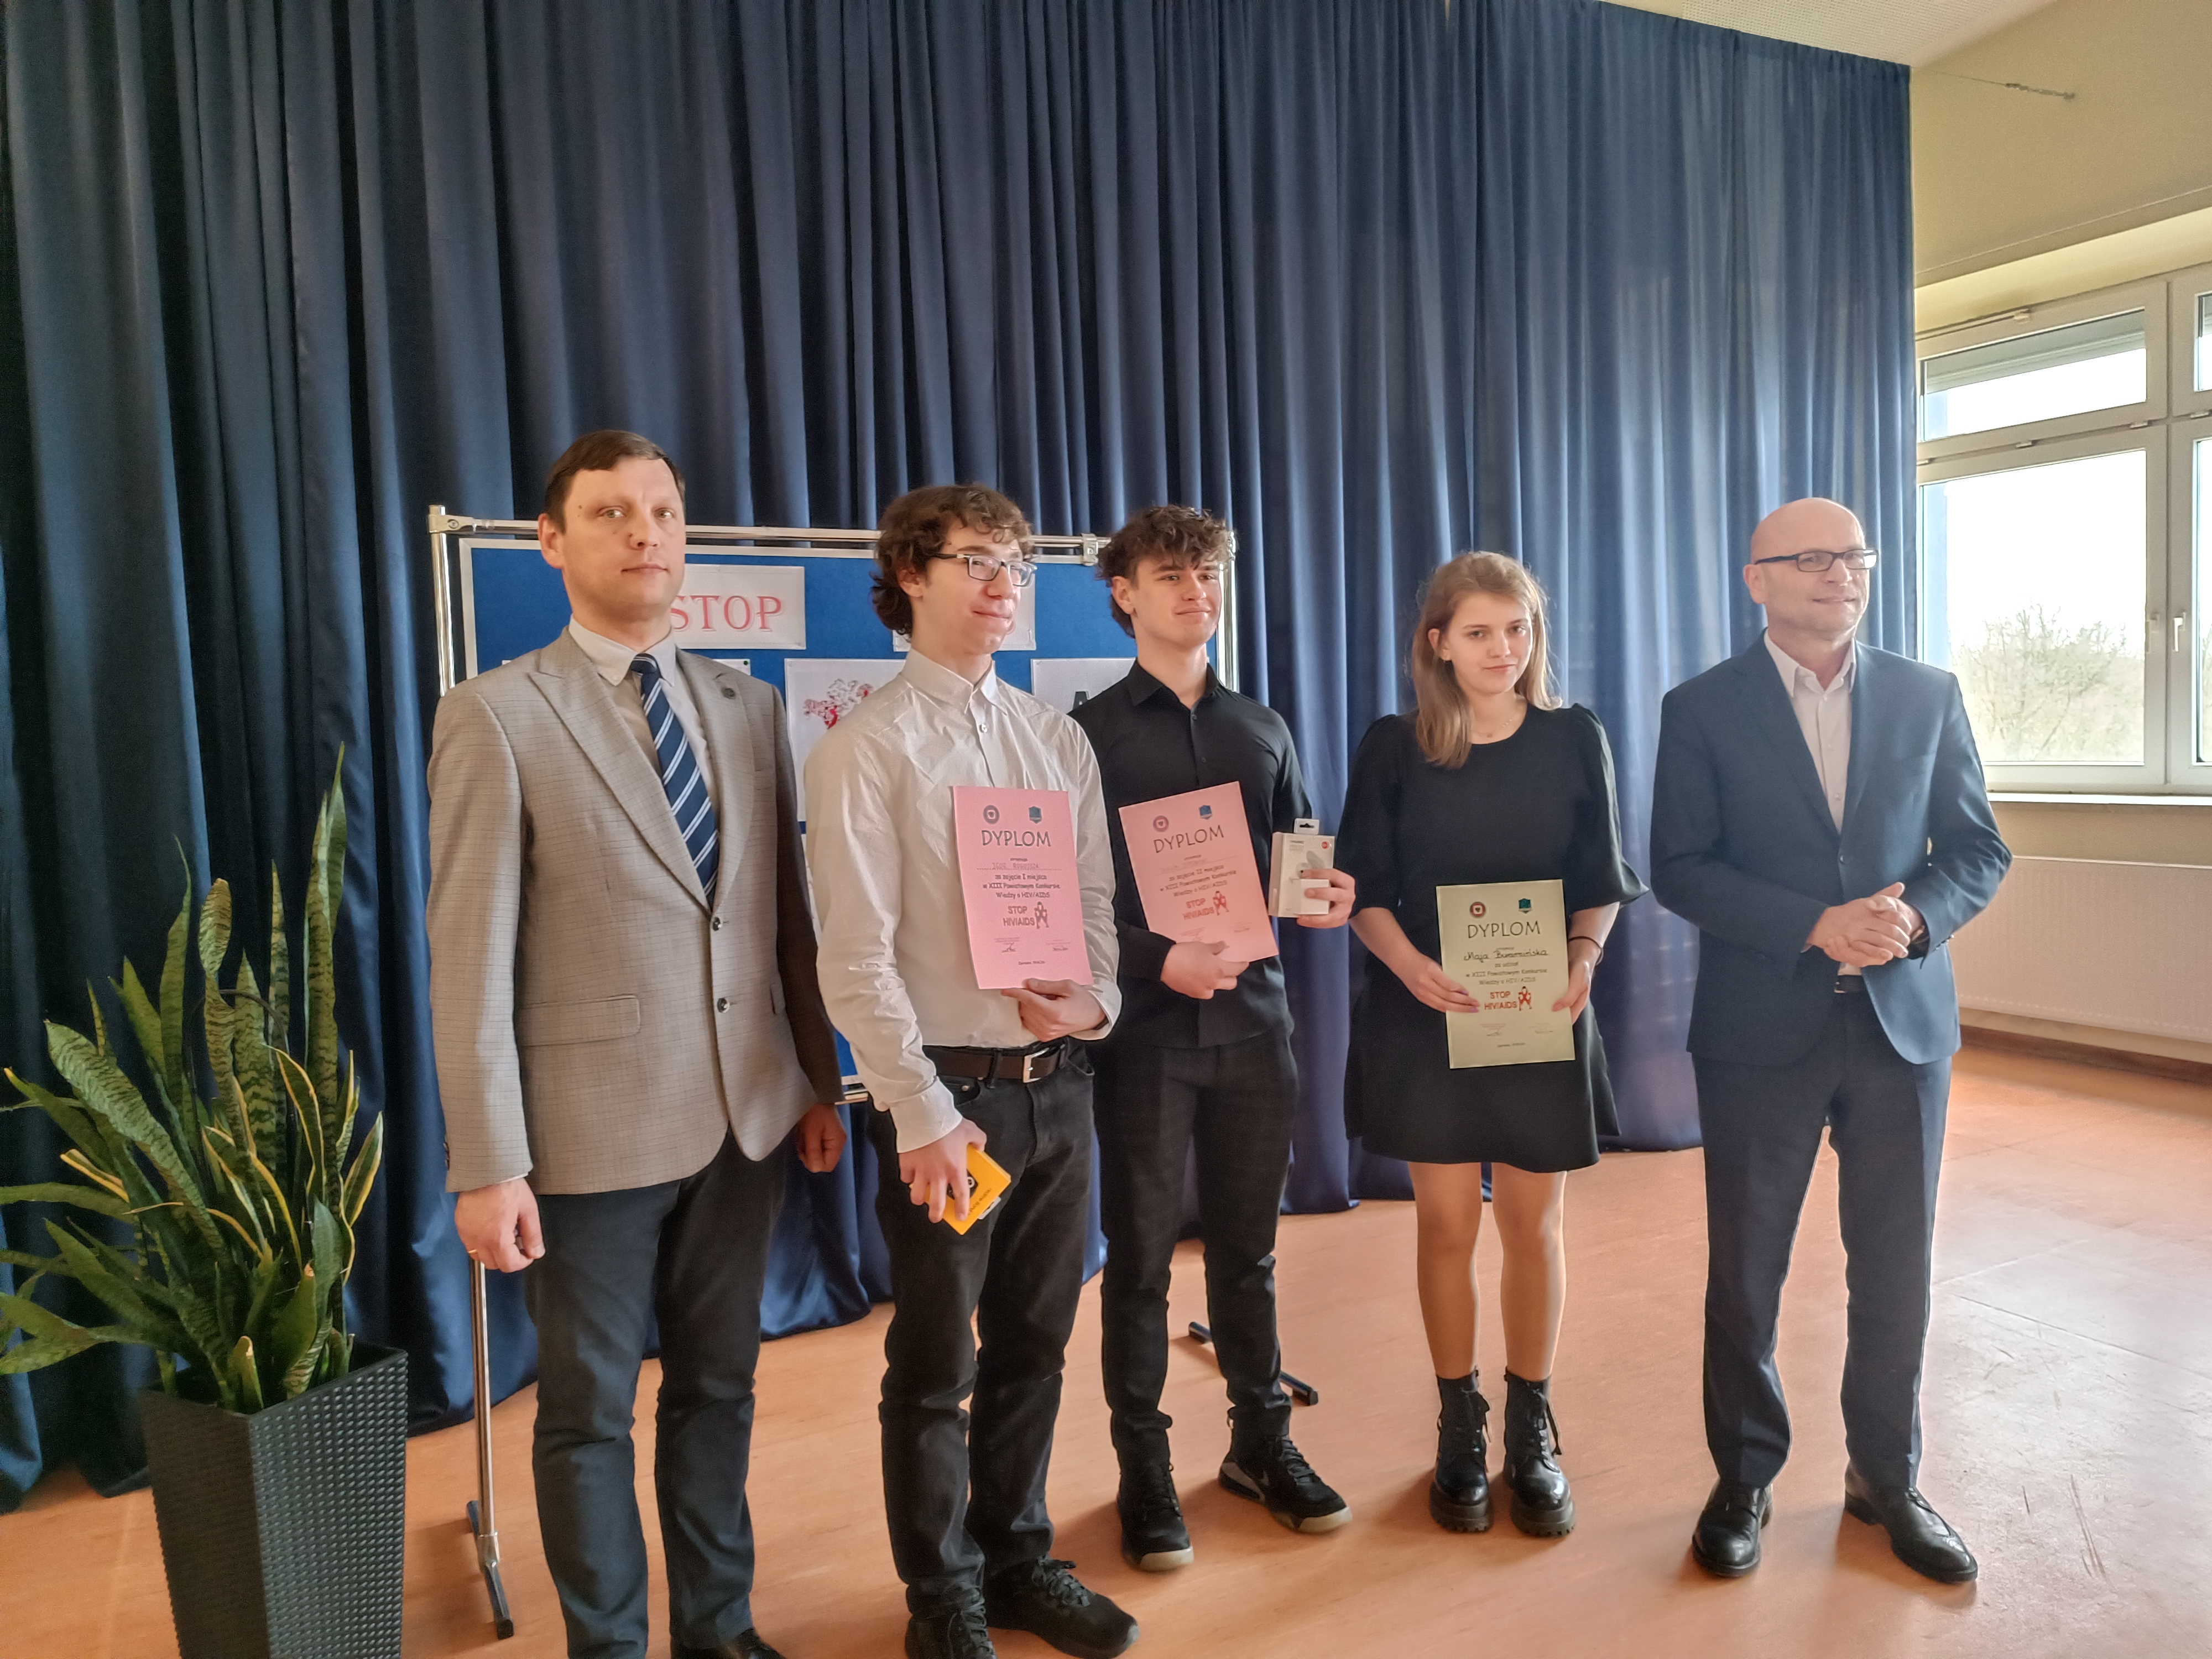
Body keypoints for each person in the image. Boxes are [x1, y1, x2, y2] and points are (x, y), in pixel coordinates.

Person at [429, 430, 847, 1659]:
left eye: (662, 512)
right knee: (588, 1416)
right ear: (551, 541)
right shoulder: (496, 714)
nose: (644, 534)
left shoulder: (748, 705)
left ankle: (719, 1629)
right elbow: (469, 958)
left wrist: (817, 1081)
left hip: (747, 1121)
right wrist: (487, 1163)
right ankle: (608, 1647)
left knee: (719, 1390)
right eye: (611, 513)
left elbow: (783, 921)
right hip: (588, 1137)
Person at [804, 486, 1138, 1659]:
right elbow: (854, 960)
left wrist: (1094, 1003)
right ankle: (941, 1597)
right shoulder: (864, 749)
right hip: (951, 1102)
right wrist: (922, 1114)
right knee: (936, 1363)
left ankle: (1016, 1559)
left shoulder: (1056, 739)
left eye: (1019, 566)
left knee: (1037, 1344)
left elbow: (1094, 909)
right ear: (910, 574)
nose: (1006, 585)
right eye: (979, 562)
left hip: (1061, 1086)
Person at [1650, 497, 2009, 1584]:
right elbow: (1680, 867)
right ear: (1755, 579)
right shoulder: (1701, 707)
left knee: (1894, 1267)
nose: (1839, 574)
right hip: (1759, 1028)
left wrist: (1914, 920)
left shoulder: (1928, 694)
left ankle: (1886, 1480)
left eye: (1853, 556)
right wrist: (1813, 924)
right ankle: (1742, 1478)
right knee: (1746, 1270)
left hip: (1901, 1028)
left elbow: (1976, 851)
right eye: (1810, 559)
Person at [1070, 506, 1360, 1572]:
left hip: (1255, 1024)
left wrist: (1323, 895)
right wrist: (1158, 960)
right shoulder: (1086, 734)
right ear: (1125, 594)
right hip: (1145, 1034)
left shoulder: (1263, 726)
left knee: (1250, 1252)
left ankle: (1260, 1444)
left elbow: (1296, 860)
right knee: (1140, 1262)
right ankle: (1143, 1468)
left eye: (1210, 574)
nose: (1198, 591)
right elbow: (1069, 900)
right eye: (1172, 575)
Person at [1337, 552, 1645, 1540]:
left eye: (1517, 630)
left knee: (1532, 1226)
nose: (1502, 649)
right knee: (1443, 1228)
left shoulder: (1573, 735)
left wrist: (1585, 956)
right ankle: (1458, 1426)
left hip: (1541, 1009)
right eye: (1478, 632)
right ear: (1438, 642)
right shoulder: (1394, 746)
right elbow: (1363, 887)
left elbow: (1600, 875)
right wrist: (1408, 967)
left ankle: (1530, 1425)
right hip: (1427, 1011)